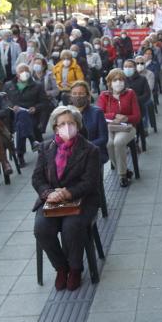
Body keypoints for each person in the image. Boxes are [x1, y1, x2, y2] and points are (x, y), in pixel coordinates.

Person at [32, 105, 101, 291]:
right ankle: (61, 267)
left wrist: (69, 192)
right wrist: (48, 193)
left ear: (77, 125)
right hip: (52, 199)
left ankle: (76, 268)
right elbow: (37, 178)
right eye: (62, 124)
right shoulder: (46, 148)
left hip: (82, 199)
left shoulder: (89, 150)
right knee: (42, 229)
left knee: (71, 227)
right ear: (55, 127)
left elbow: (90, 182)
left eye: (71, 123)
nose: (67, 127)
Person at [96, 69, 141, 187]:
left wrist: (126, 118)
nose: (118, 82)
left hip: (127, 127)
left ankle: (122, 175)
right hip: (110, 127)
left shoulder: (130, 93)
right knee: (109, 143)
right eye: (115, 80)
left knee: (118, 142)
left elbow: (137, 116)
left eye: (121, 80)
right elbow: (99, 114)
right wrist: (114, 115)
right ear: (109, 82)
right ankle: (125, 170)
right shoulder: (103, 95)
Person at [4, 63, 49, 167]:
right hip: (14, 116)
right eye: (21, 71)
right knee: (21, 116)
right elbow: (4, 101)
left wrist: (36, 108)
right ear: (17, 73)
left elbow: (45, 102)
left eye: (26, 71)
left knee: (22, 122)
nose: (24, 73)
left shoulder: (37, 86)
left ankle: (20, 154)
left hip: (32, 115)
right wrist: (12, 106)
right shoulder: (8, 85)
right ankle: (33, 141)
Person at [69, 81, 108, 164]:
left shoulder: (97, 113)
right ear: (70, 96)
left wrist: (84, 147)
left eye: (81, 93)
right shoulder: (66, 113)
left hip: (93, 152)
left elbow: (104, 138)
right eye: (74, 94)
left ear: (87, 96)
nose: (77, 97)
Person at [123, 59, 152, 132]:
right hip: (124, 107)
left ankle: (143, 129)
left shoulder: (142, 79)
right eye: (125, 66)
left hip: (138, 105)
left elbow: (147, 94)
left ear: (135, 68)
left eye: (130, 66)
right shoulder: (121, 79)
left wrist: (135, 101)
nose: (127, 68)